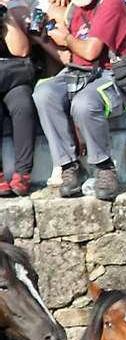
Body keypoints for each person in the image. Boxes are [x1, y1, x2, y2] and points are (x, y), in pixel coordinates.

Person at [32, 0, 126, 200]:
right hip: (77, 72)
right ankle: (69, 166)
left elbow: (90, 51)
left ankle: (104, 166)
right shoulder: (74, 10)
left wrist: (66, 38)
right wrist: (47, 37)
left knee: (84, 103)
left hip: (110, 73)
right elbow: (71, 56)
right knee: (43, 93)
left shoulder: (111, 4)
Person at [0, 0, 36, 195]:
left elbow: (21, 51)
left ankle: (23, 172)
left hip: (12, 79)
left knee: (23, 102)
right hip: (11, 74)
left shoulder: (11, 11)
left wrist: (5, 17)